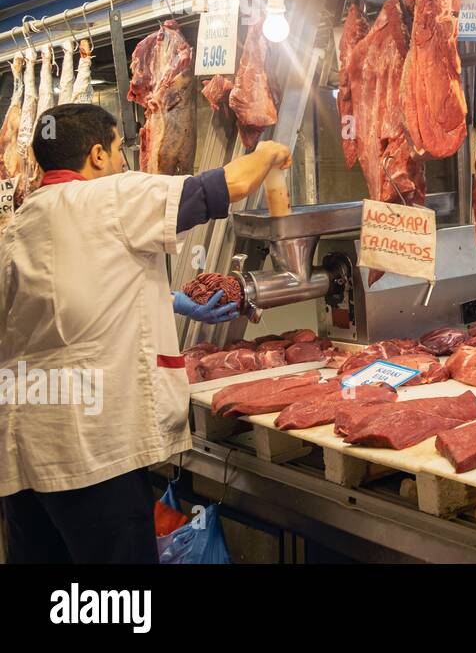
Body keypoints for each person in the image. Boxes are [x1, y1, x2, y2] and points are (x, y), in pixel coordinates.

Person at [0, 102, 290, 563]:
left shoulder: (19, 225)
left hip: (21, 455)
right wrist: (270, 153)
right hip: (92, 451)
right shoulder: (111, 195)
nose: (122, 163)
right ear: (97, 155)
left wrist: (170, 300)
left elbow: (62, 299)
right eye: (118, 152)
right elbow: (226, 185)